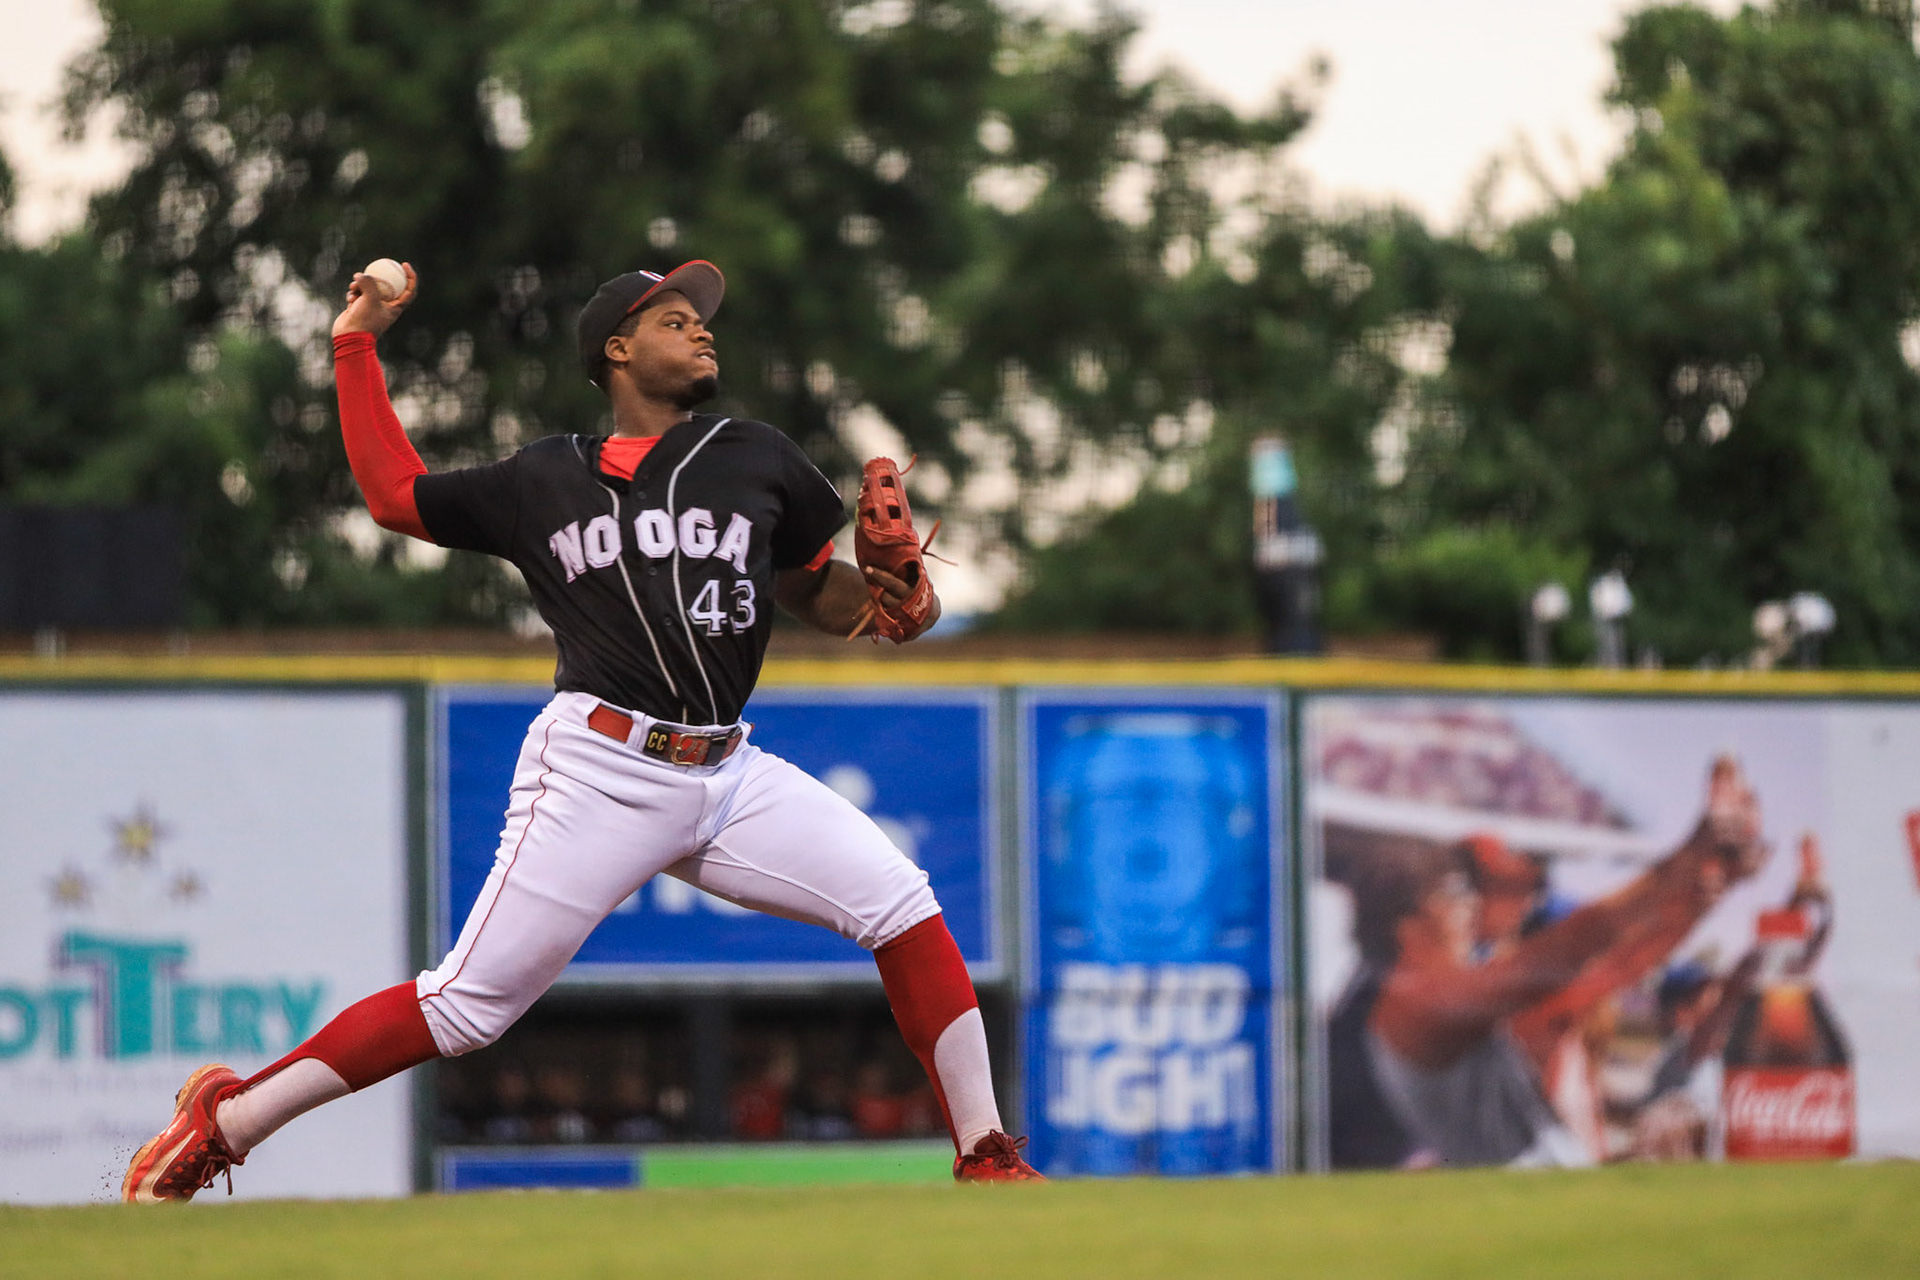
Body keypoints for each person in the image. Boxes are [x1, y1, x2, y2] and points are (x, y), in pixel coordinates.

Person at [121, 259, 1042, 1200]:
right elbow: (396, 497)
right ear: (617, 350)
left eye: (700, 321)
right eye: (676, 320)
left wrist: (897, 602)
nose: (701, 332)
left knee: (902, 903)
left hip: (727, 771)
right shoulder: (542, 478)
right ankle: (226, 1122)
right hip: (601, 769)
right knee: (466, 1007)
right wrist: (355, 345)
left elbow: (822, 593)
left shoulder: (758, 457)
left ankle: (986, 1155)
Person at [1329, 756, 1765, 1169]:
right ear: (1407, 926)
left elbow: (1611, 970)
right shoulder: (1414, 1005)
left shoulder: (1440, 999)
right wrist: (1686, 859)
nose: (1470, 906)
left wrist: (1706, 885)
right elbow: (1569, 951)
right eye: (1454, 893)